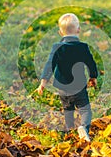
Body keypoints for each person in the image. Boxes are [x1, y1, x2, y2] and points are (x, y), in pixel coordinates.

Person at [36, 13, 98, 142]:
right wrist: (93, 77)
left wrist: (43, 82)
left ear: (60, 32)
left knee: (67, 109)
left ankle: (70, 130)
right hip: (78, 86)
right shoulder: (83, 47)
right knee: (85, 109)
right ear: (78, 30)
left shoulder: (57, 47)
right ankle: (83, 127)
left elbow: (49, 65)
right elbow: (91, 63)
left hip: (62, 87)